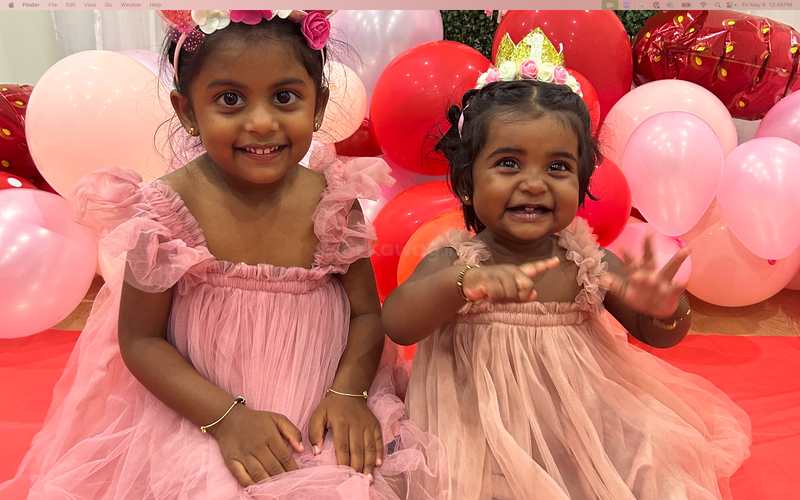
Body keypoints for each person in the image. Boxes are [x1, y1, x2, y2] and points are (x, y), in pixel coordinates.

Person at [1, 10, 446, 499]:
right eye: (230, 99)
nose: (261, 122)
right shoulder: (163, 214)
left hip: (324, 404)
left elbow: (365, 313)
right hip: (204, 413)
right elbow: (142, 340)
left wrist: (348, 393)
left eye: (285, 97)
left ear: (318, 105)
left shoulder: (334, 202)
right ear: (187, 111)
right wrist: (225, 418)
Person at [382, 72, 751, 499]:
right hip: (475, 425)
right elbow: (399, 324)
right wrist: (461, 284)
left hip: (577, 421)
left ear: (582, 183)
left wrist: (665, 309)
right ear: (467, 183)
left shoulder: (588, 263)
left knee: (651, 455)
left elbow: (659, 335)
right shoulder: (453, 260)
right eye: (508, 163)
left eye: (557, 167)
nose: (534, 183)